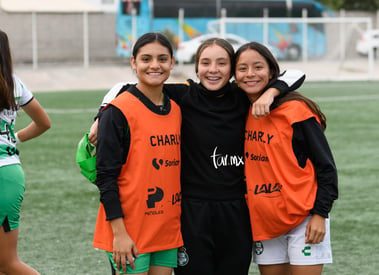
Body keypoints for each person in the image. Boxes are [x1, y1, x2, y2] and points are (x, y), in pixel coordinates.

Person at [90, 37, 305, 275]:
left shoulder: (242, 95)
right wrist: (101, 114)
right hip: (191, 212)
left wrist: (270, 93)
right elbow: (125, 87)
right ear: (196, 67)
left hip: (236, 212)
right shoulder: (183, 95)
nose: (213, 70)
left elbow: (295, 74)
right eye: (205, 62)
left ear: (232, 69)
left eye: (222, 63)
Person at [234, 41, 338, 275]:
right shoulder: (238, 105)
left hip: (304, 217)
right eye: (242, 68)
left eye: (258, 67)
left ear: (272, 72)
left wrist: (321, 214)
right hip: (264, 220)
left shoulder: (295, 111)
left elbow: (326, 167)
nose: (250, 74)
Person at [92, 33, 183, 275]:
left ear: (172, 62)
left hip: (166, 227)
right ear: (133, 63)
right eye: (146, 59)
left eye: (162, 59)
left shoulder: (175, 108)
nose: (155, 65)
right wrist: (119, 233)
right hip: (129, 229)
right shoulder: (118, 111)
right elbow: (105, 177)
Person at [0, 29, 51, 275]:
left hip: (3, 177)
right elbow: (44, 123)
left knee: (7, 264)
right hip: (10, 172)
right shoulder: (14, 82)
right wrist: (13, 140)